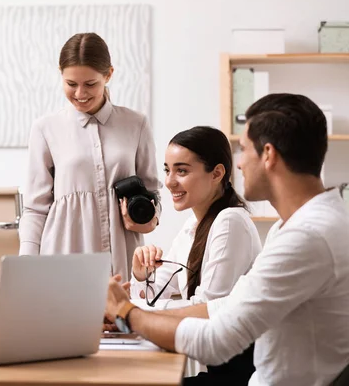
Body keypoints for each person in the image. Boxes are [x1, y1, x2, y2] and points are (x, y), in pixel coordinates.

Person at [105, 93, 349, 386]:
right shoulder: (295, 226)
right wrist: (135, 308)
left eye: (243, 150)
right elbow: (225, 306)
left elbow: (216, 342)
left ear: (268, 155)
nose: (240, 164)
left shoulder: (306, 236)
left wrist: (127, 313)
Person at [19, 32, 161, 280]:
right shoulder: (45, 128)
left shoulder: (136, 124)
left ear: (108, 75)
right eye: (71, 84)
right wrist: (24, 268)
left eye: (91, 84)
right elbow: (35, 208)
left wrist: (151, 217)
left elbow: (153, 192)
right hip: (63, 255)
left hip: (123, 255)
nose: (80, 93)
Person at [128, 126, 261, 383]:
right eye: (167, 170)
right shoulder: (193, 225)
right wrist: (141, 274)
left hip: (237, 374)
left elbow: (206, 310)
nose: (169, 181)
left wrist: (130, 312)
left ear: (217, 173)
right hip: (217, 367)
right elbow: (156, 293)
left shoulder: (230, 222)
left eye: (182, 171)